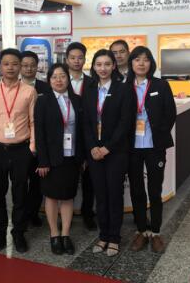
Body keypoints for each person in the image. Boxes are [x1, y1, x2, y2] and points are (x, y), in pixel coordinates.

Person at [0, 49, 37, 254]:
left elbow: (33, 122)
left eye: (14, 64)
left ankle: (18, 233)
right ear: (0, 67)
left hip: (21, 150)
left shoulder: (29, 91)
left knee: (20, 193)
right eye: (6, 64)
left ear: (20, 66)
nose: (10, 67)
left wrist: (32, 148)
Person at [82, 49, 134, 257]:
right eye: (98, 64)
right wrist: (92, 147)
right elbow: (86, 122)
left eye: (107, 64)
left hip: (116, 151)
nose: (102, 68)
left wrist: (107, 148)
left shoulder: (124, 89)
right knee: (100, 195)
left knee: (114, 194)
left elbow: (125, 123)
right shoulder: (89, 89)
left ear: (114, 66)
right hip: (94, 152)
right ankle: (103, 235)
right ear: (94, 67)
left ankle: (114, 238)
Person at [126, 46, 177, 254]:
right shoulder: (124, 87)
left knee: (155, 191)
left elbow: (170, 114)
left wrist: (159, 133)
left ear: (151, 63)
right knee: (137, 190)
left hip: (154, 147)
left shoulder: (160, 85)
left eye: (145, 59)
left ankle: (155, 232)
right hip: (131, 147)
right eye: (137, 59)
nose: (141, 63)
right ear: (131, 63)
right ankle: (141, 230)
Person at [35, 63, 84, 255]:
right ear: (49, 80)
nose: (59, 80)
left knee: (68, 195)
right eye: (54, 76)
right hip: (51, 158)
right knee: (52, 196)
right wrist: (43, 161)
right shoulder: (43, 101)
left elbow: (82, 130)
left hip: (72, 156)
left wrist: (82, 157)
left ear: (68, 79)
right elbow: (39, 133)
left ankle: (65, 234)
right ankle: (54, 234)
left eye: (62, 76)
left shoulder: (77, 100)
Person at [65, 42, 97, 230]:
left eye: (80, 58)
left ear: (85, 59)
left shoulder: (93, 82)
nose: (76, 61)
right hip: (66, 135)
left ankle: (87, 213)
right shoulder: (60, 79)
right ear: (67, 59)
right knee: (67, 176)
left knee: (89, 179)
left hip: (88, 135)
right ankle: (64, 215)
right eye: (73, 58)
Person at [20, 50, 50, 227]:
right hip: (20, 141)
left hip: (39, 140)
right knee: (20, 181)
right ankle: (21, 213)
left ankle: (33, 212)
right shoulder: (13, 86)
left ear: (37, 67)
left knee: (37, 180)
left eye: (32, 65)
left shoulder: (45, 87)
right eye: (25, 65)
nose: (29, 68)